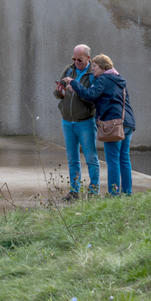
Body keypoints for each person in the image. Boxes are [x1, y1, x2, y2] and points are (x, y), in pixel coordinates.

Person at [64, 54, 134, 195]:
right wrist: (77, 90)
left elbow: (90, 94)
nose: (93, 68)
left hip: (112, 124)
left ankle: (114, 194)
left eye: (95, 66)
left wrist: (73, 82)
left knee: (113, 160)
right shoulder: (118, 79)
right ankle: (127, 192)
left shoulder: (103, 78)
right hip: (127, 123)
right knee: (124, 158)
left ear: (103, 67)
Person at [53, 43, 99, 200]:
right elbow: (57, 94)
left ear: (88, 58)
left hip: (85, 121)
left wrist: (76, 88)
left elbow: (92, 98)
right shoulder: (69, 69)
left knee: (91, 158)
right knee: (72, 159)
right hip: (67, 121)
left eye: (80, 59)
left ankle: (93, 191)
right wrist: (61, 88)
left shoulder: (93, 74)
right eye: (74, 59)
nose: (76, 62)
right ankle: (74, 191)